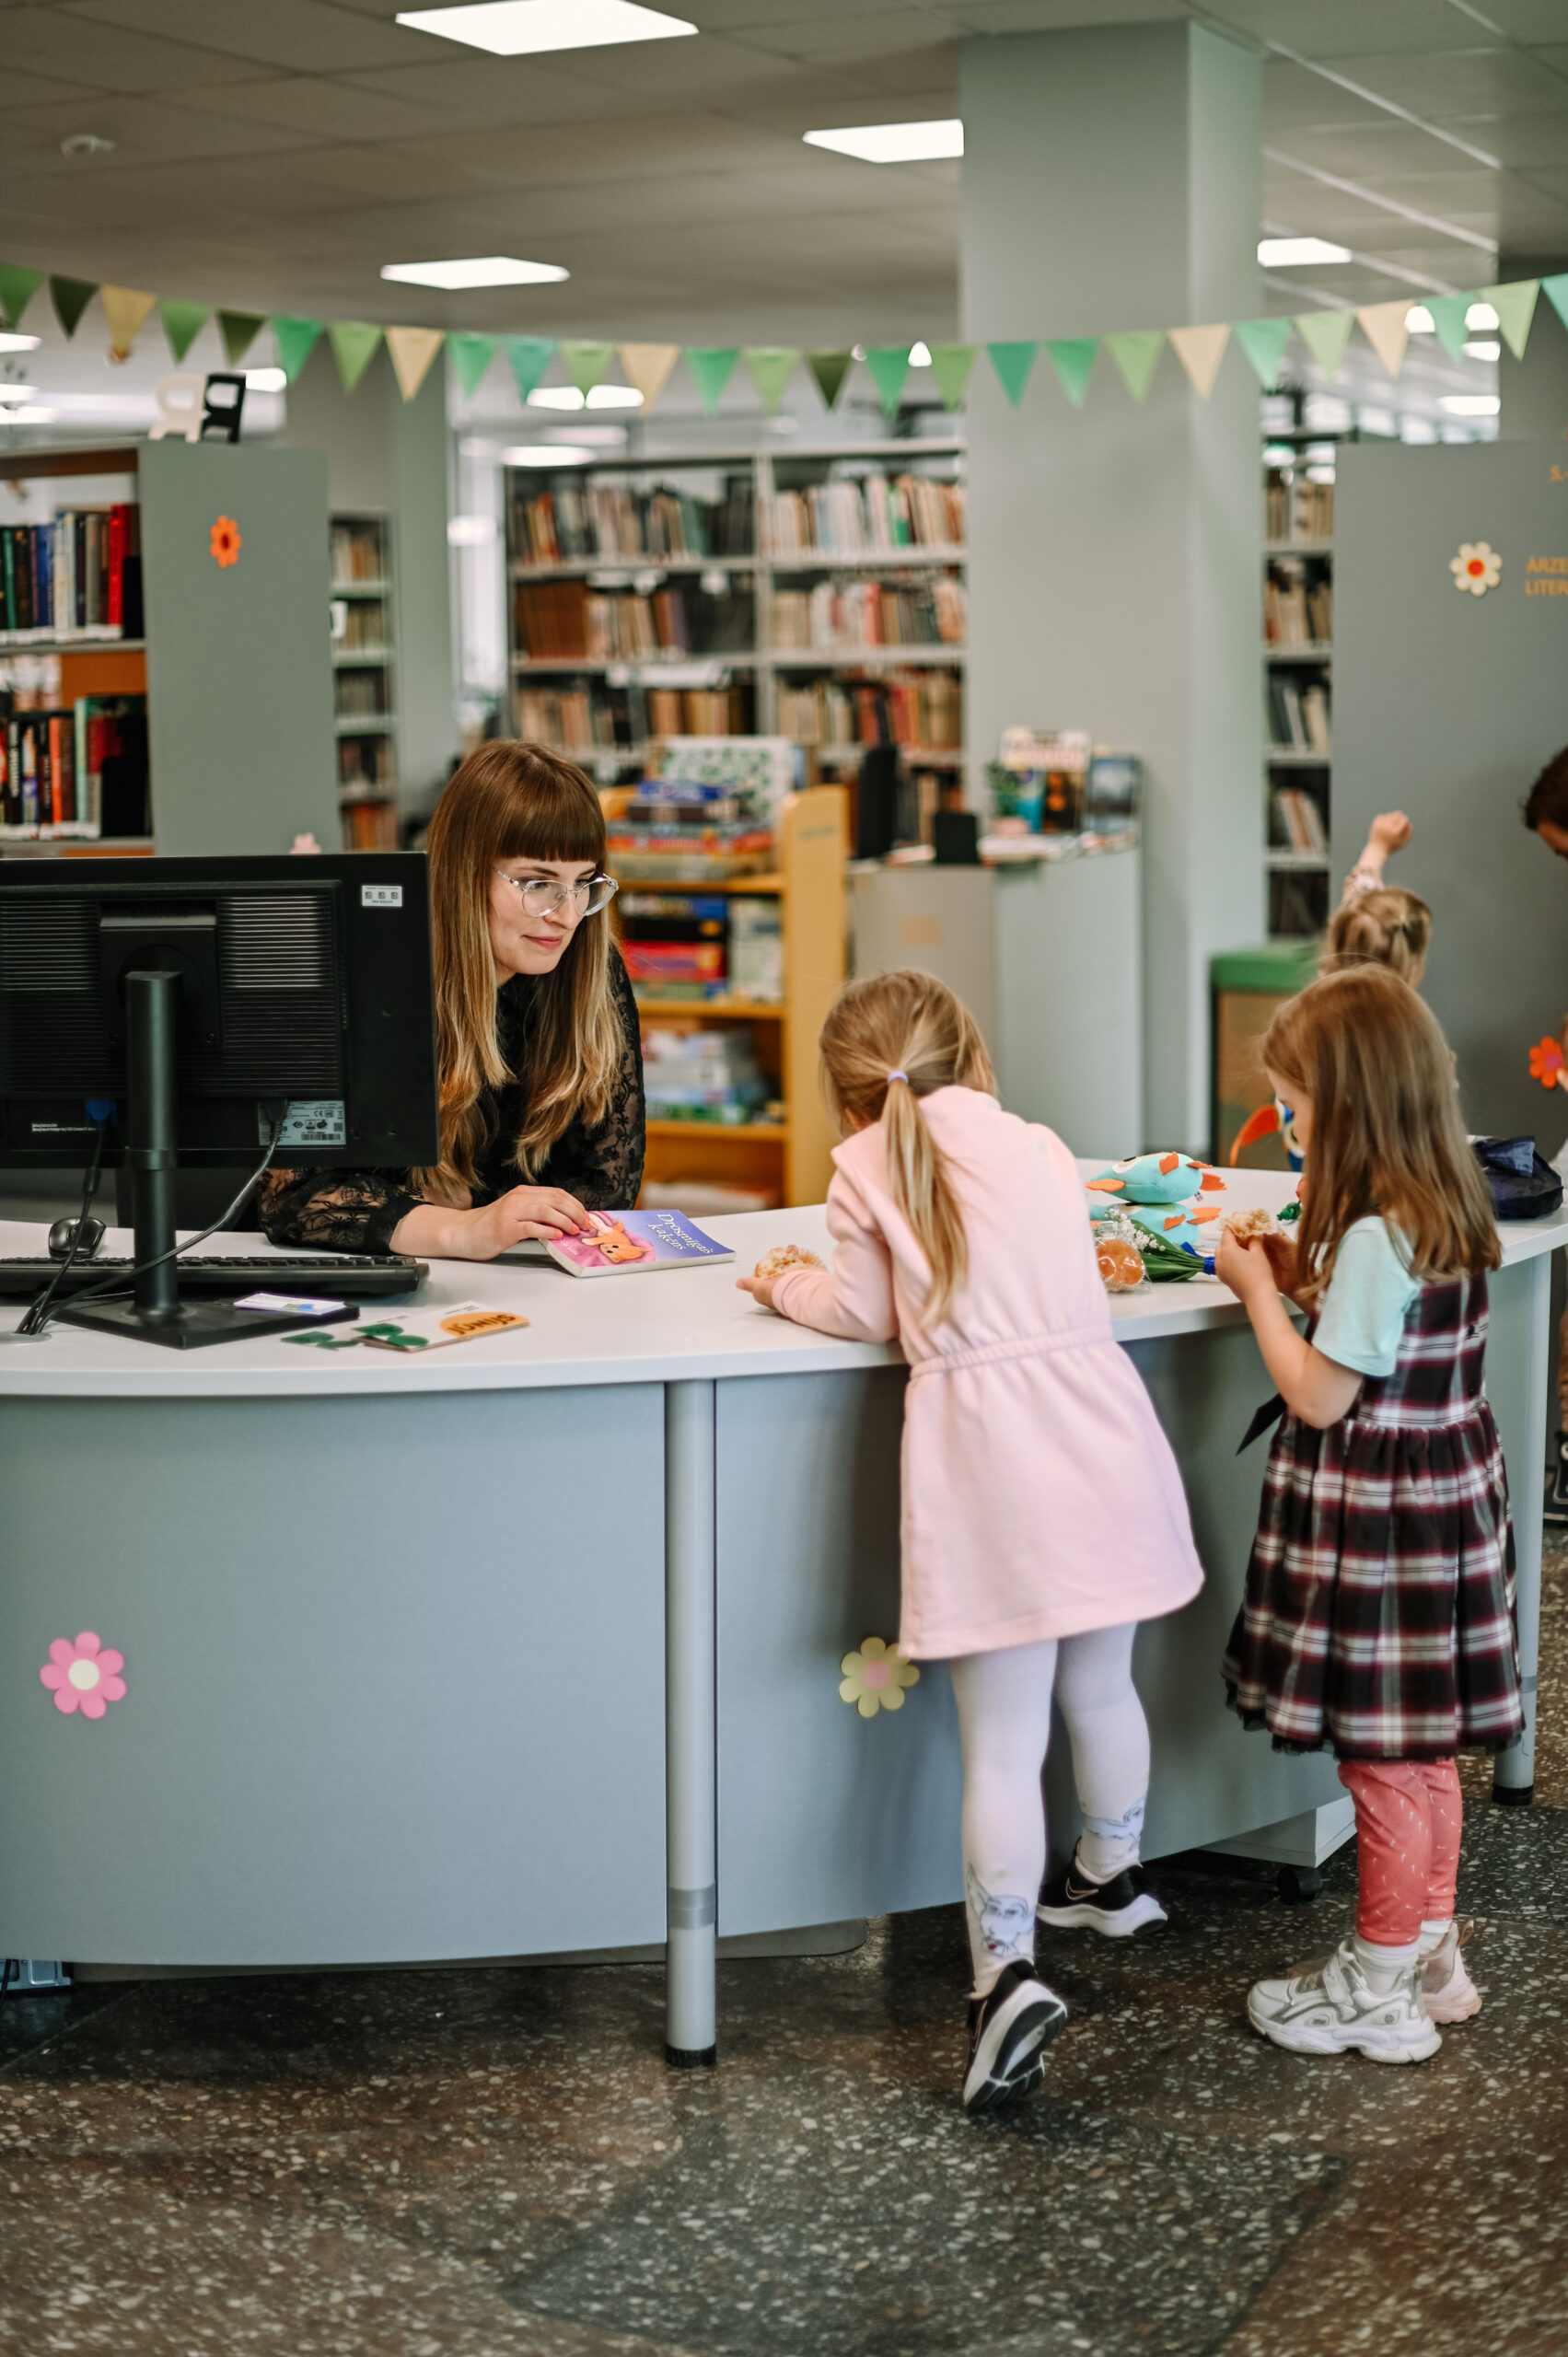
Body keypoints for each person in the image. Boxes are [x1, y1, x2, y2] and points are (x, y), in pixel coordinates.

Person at [736, 970, 1203, 2116]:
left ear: (851, 1101)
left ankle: (1001, 1980)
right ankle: (1110, 1873)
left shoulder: (864, 1168)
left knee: (999, 1743)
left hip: (994, 1469)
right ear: (973, 1061)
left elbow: (862, 1313)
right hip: (1101, 1438)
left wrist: (782, 1283)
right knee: (1101, 1685)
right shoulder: (1039, 1145)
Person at [1216, 965, 1522, 2064]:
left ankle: (1375, 1981)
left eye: (1294, 1111)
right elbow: (1384, 1343)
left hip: (1375, 1533)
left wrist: (1256, 1293)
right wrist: (1309, 1286)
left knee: (1378, 1764)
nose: (1288, 1131)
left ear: (1344, 1108)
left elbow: (1320, 1395)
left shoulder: (1369, 1233)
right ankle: (1430, 1953)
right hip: (1445, 1519)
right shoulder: (1442, 1206)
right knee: (1426, 1748)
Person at [261, 743, 645, 1258]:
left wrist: (490, 1219)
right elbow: (293, 1195)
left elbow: (609, 1185)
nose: (568, 915)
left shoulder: (592, 969)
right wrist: (464, 1229)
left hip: (522, 1284)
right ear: (465, 874)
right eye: (538, 883)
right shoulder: (373, 977)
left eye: (583, 884)